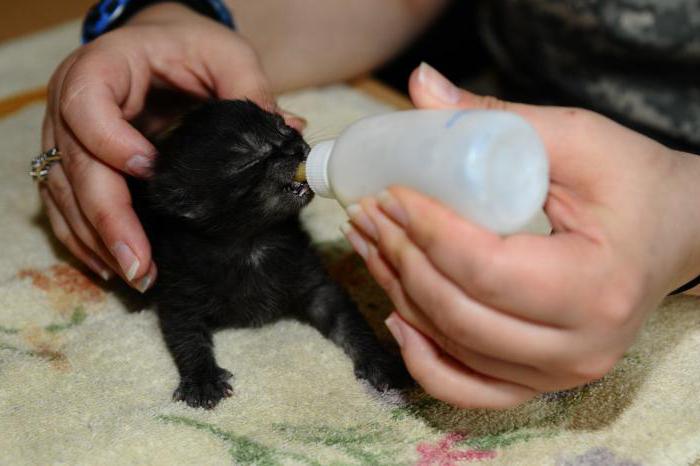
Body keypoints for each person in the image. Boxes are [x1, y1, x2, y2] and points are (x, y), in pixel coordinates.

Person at [37, 0, 700, 408]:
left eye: (281, 133)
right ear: (191, 206)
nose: (293, 142)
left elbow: (324, 298)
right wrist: (175, 10)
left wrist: (685, 216)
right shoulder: (196, 243)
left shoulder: (278, 237)